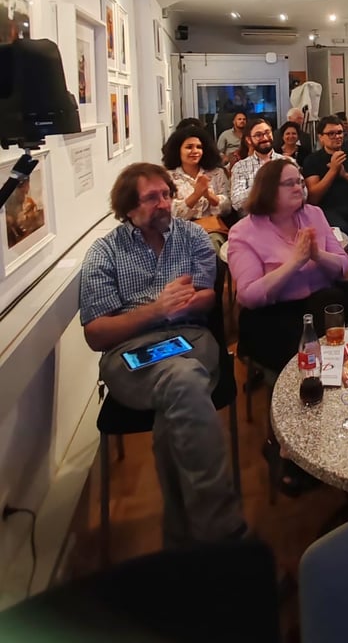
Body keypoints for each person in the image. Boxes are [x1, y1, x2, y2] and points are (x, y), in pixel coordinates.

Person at [78, 163, 246, 548]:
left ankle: (182, 537)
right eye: (151, 198)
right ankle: (220, 531)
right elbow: (96, 333)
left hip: (191, 338)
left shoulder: (193, 236)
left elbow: (206, 297)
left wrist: (176, 306)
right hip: (128, 351)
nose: (164, 203)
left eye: (167, 194)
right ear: (127, 207)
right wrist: (158, 309)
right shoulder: (104, 252)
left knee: (180, 383)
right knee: (183, 383)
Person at [228, 158, 348, 495]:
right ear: (269, 190)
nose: (300, 187)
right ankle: (285, 444)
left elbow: (341, 266)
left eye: (300, 180)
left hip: (317, 307)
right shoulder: (245, 232)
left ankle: (335, 429)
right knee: (305, 359)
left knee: (338, 322)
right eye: (290, 183)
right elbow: (250, 295)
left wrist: (317, 255)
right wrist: (295, 262)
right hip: (271, 315)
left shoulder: (314, 215)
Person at [302, 115, 348, 247]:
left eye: (340, 132)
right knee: (341, 232)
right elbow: (313, 197)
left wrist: (345, 175)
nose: (337, 136)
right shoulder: (312, 160)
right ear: (321, 137)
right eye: (331, 133)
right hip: (329, 208)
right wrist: (333, 171)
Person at [162, 126, 231, 255]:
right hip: (179, 231)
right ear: (178, 150)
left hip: (211, 230)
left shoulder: (217, 173)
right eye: (189, 147)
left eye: (199, 147)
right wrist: (196, 194)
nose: (195, 151)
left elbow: (227, 209)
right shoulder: (167, 177)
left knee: (210, 245)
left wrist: (209, 195)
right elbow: (171, 213)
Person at [230, 119, 283, 214]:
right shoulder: (240, 167)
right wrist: (262, 185)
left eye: (267, 133)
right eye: (258, 135)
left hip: (284, 215)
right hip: (253, 218)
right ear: (249, 140)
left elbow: (303, 194)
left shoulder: (287, 162)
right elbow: (236, 203)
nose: (265, 138)